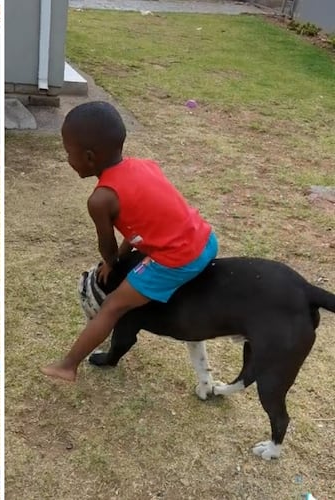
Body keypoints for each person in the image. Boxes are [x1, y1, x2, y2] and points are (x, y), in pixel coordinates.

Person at [40, 101, 218, 382]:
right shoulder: (144, 165)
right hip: (206, 240)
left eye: (67, 152)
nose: (67, 159)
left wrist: (111, 262)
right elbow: (139, 227)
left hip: (180, 259)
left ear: (88, 157)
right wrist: (120, 258)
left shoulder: (100, 199)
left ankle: (67, 366)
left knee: (112, 306)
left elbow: (107, 247)